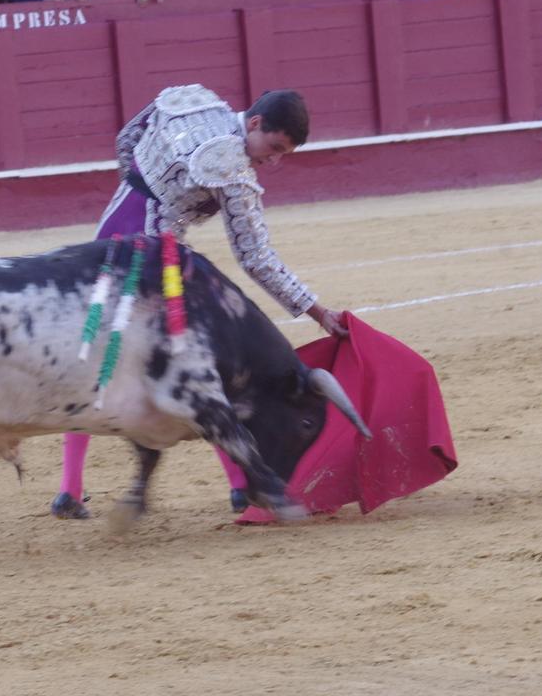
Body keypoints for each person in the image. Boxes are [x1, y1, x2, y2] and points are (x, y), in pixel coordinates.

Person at [50, 85, 347, 519]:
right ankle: (241, 485)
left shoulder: (193, 101)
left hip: (110, 231)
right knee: (199, 368)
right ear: (256, 124)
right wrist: (317, 310)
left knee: (97, 359)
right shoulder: (230, 165)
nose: (273, 160)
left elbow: (127, 140)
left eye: (284, 154)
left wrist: (148, 190)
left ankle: (70, 490)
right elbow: (255, 257)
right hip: (150, 259)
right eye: (274, 147)